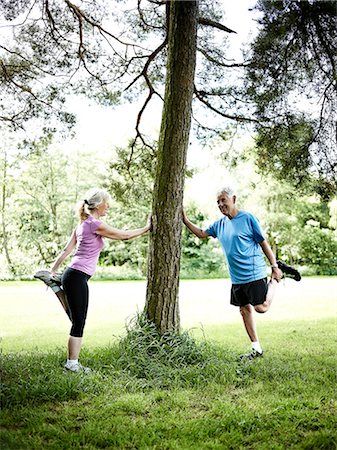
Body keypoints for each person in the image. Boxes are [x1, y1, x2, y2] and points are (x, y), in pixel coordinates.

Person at [34, 187, 151, 373]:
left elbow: (66, 250)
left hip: (71, 274)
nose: (109, 207)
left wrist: (54, 269)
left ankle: (55, 285)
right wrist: (147, 228)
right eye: (107, 203)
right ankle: (72, 364)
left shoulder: (82, 225)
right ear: (99, 205)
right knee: (78, 322)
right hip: (77, 276)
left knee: (75, 318)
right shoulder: (94, 224)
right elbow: (124, 236)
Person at [182, 186, 301, 360]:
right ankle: (256, 349)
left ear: (234, 199)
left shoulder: (247, 218)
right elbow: (201, 234)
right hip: (237, 277)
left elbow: (263, 243)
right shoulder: (219, 224)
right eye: (218, 202)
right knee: (244, 310)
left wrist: (274, 266)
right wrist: (185, 220)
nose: (221, 204)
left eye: (224, 200)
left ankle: (276, 279)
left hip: (254, 272)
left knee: (261, 307)